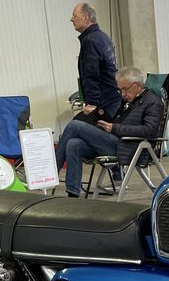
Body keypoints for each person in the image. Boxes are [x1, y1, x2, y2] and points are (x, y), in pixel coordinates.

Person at [55, 67, 163, 198]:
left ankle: (52, 171)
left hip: (130, 147)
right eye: (120, 90)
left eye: (125, 89)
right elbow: (116, 123)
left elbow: (150, 130)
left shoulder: (152, 102)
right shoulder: (129, 102)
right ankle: (73, 194)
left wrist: (114, 128)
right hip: (117, 142)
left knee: (75, 126)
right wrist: (97, 115)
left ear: (137, 85)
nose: (122, 94)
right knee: (73, 144)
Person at [71, 2, 121, 124]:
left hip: (104, 104)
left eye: (74, 15)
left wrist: (92, 104)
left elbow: (91, 74)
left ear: (85, 18)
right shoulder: (103, 37)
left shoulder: (90, 41)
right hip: (113, 99)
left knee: (73, 128)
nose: (71, 19)